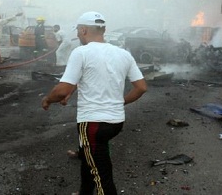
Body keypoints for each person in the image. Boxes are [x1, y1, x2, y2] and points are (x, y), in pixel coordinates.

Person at [41, 11, 147, 194]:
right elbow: (141, 87)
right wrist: (118, 102)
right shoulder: (123, 54)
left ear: (83, 30)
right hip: (115, 122)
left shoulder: (81, 52)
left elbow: (61, 90)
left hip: (92, 124)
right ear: (103, 30)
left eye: (77, 31)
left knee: (101, 175)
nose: (76, 35)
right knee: (89, 157)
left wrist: (48, 99)